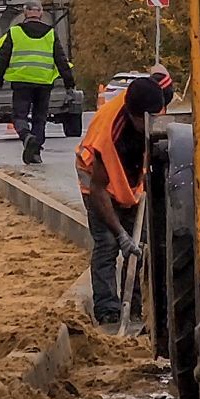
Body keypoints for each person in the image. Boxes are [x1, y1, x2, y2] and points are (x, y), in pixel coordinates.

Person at [76, 75, 168, 325]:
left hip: (129, 185)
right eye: (147, 121)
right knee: (107, 245)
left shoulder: (152, 109)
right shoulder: (110, 135)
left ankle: (138, 307)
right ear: (133, 116)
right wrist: (120, 234)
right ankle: (108, 310)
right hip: (97, 185)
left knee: (142, 247)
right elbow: (98, 189)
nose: (153, 124)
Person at [0, 1, 75, 164]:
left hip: (21, 82)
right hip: (44, 82)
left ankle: (27, 136)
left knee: (19, 115)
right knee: (40, 117)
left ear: (24, 13)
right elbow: (61, 59)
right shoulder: (50, 33)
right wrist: (69, 82)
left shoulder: (14, 32)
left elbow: (3, 57)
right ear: (41, 14)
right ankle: (35, 152)